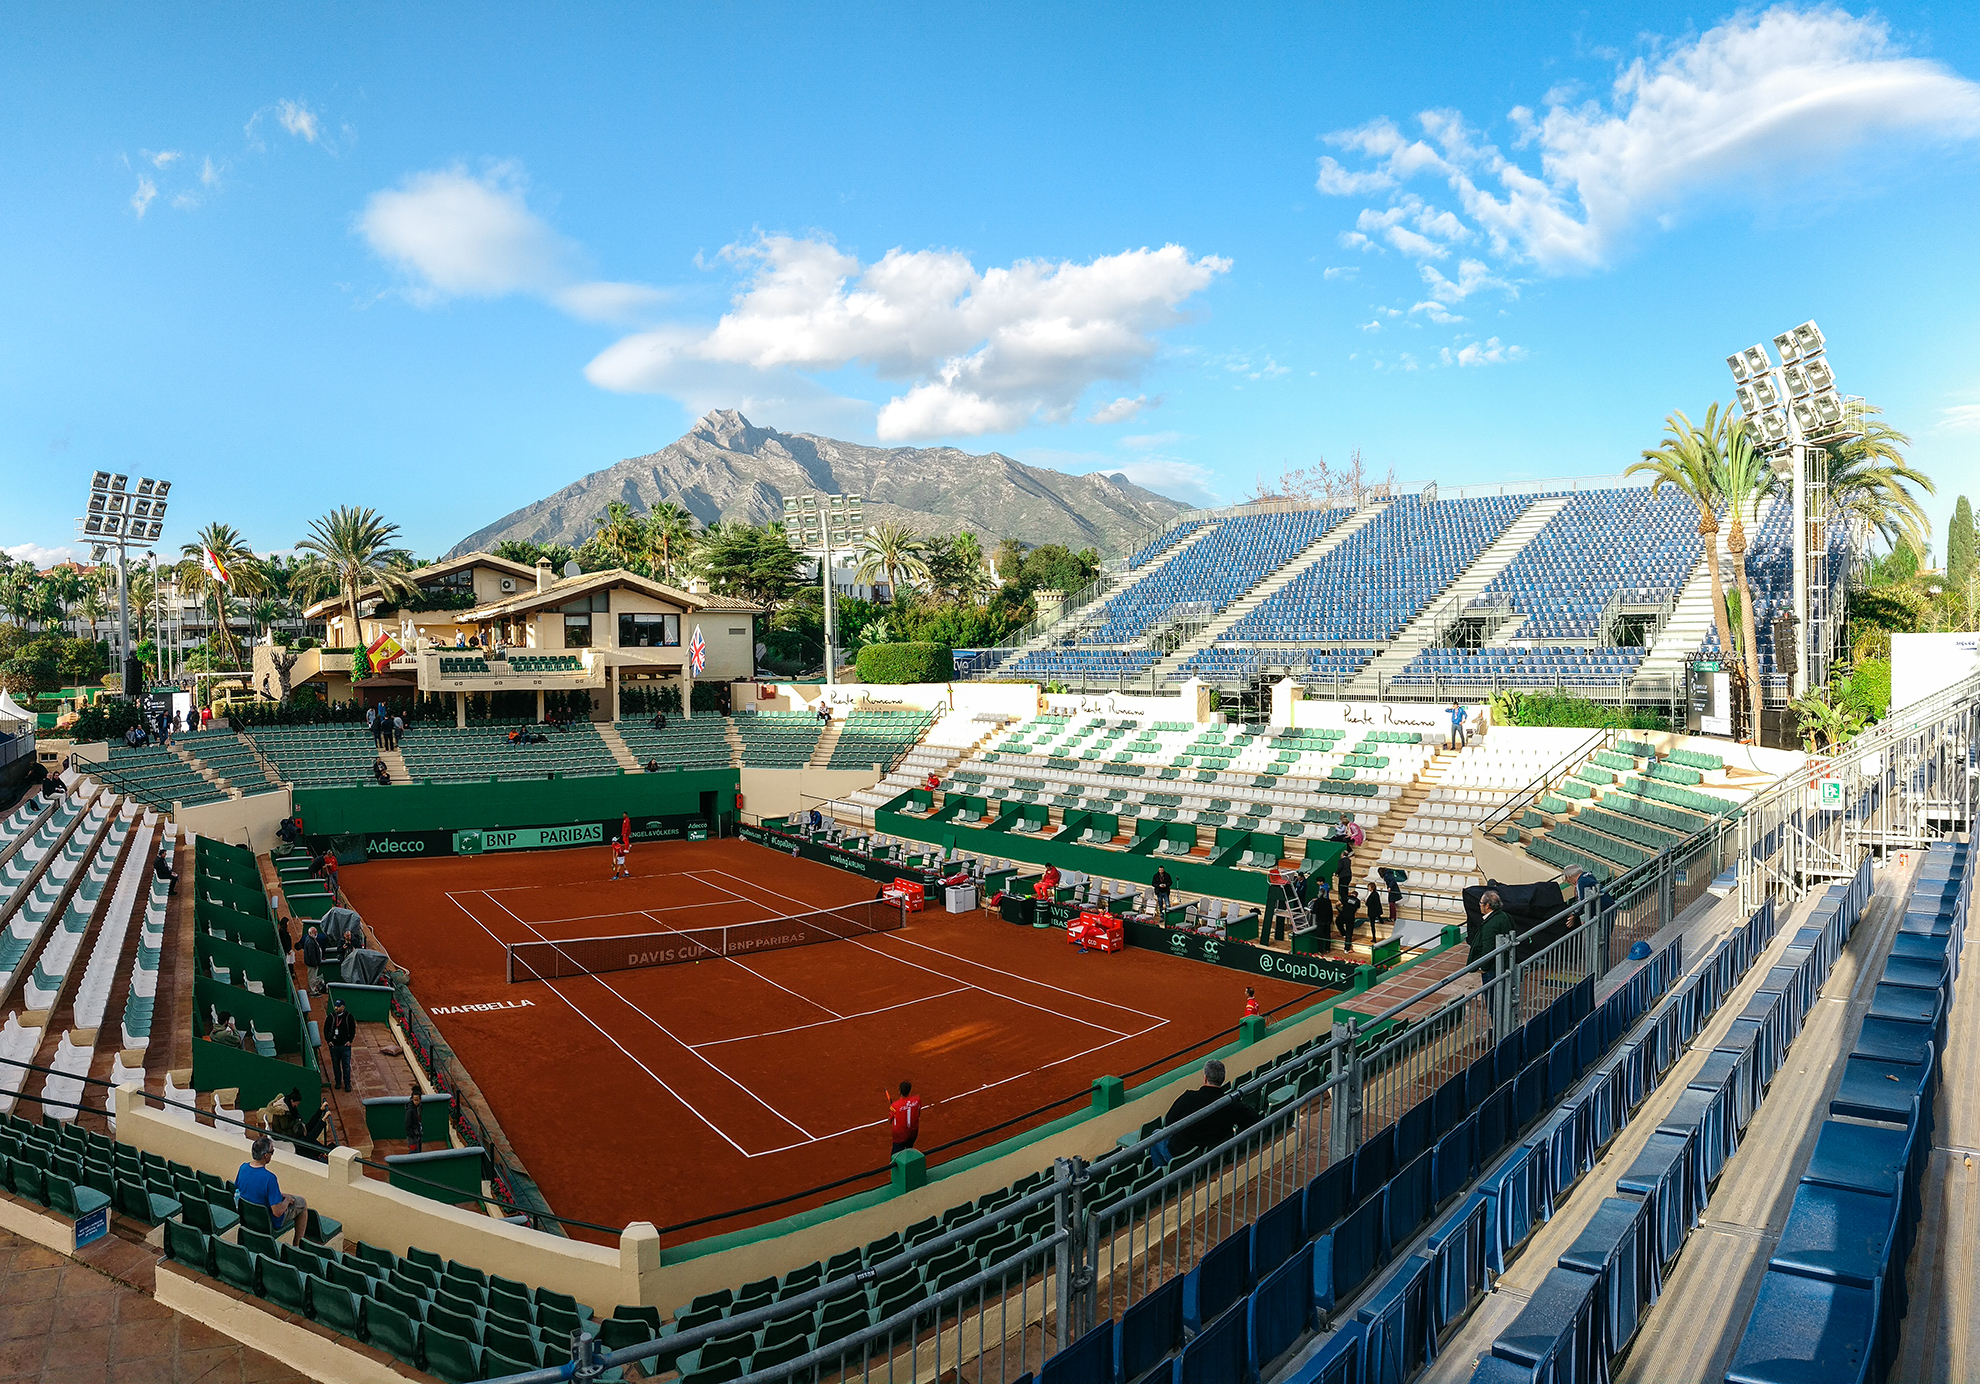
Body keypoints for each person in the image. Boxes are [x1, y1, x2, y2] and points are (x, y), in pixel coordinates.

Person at [1156, 1060, 1256, 1168]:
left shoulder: (1188, 1098)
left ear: (1205, 1078)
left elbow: (1169, 1122)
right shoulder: (1231, 1105)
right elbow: (1254, 1119)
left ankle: (1161, 1176)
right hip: (1212, 1157)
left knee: (1156, 1135)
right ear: (1222, 1079)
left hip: (1184, 1157)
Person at [235, 1136, 310, 1245]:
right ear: (266, 1156)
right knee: (302, 1203)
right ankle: (297, 1245)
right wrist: (287, 1200)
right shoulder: (270, 1178)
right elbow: (277, 1212)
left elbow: (241, 1188)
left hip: (249, 1216)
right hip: (268, 1221)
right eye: (272, 1152)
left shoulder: (243, 1168)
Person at [324, 997, 356, 1092]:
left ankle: (347, 1084)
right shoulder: (331, 1016)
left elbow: (352, 1029)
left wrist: (350, 1040)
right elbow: (326, 1029)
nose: (336, 1008)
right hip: (334, 1046)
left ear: (343, 1007)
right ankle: (338, 1082)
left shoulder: (348, 1016)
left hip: (345, 1046)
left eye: (338, 1006)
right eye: (335, 1006)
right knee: (336, 1065)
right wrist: (328, 1041)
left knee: (346, 1066)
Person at [888, 1080, 923, 1154]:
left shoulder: (895, 1106)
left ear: (899, 1091)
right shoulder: (917, 1100)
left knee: (895, 1156)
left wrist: (892, 1109)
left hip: (900, 1136)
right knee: (909, 1151)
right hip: (913, 1133)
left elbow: (889, 1121)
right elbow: (918, 1113)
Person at [404, 1081, 425, 1154]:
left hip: (418, 1134)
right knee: (413, 1152)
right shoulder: (410, 1111)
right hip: (412, 1137)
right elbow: (407, 1125)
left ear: (420, 1099)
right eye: (414, 1100)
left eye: (417, 1100)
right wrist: (413, 1135)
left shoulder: (419, 1107)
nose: (415, 1102)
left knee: (418, 1151)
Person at [302, 926, 324, 995]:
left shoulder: (310, 939)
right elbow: (311, 955)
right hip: (312, 963)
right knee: (312, 978)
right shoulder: (310, 942)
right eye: (314, 932)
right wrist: (315, 964)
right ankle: (312, 991)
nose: (316, 933)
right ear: (310, 933)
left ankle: (310, 988)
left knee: (311, 977)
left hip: (311, 962)